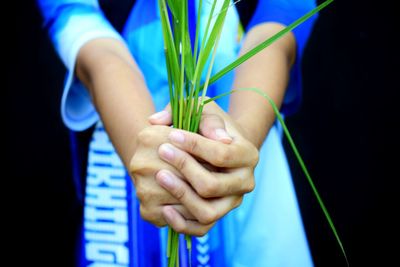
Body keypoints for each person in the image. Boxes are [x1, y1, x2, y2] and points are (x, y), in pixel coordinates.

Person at [37, 0, 318, 266]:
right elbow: (85, 33)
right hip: (124, 141)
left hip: (248, 165)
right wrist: (146, 147)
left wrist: (239, 143)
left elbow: (283, 15)